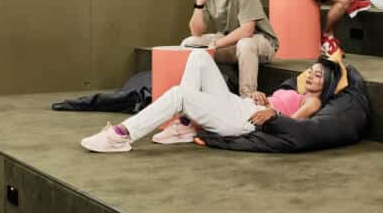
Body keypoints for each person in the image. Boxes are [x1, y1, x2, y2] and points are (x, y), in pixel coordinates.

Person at [80, 50, 329, 152]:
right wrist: (260, 97)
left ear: (325, 85)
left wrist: (273, 115)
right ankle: (187, 123)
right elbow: (273, 104)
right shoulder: (297, 92)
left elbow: (295, 128)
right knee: (199, 55)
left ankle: (122, 136)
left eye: (319, 75)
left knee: (180, 94)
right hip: (241, 106)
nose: (312, 75)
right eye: (312, 70)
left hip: (244, 121)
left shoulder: (313, 103)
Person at [181, 0, 277, 95]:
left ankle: (247, 99)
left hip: (260, 41)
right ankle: (191, 96)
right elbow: (196, 32)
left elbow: (247, 30)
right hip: (229, 41)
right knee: (188, 43)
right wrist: (199, 3)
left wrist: (215, 45)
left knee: (245, 44)